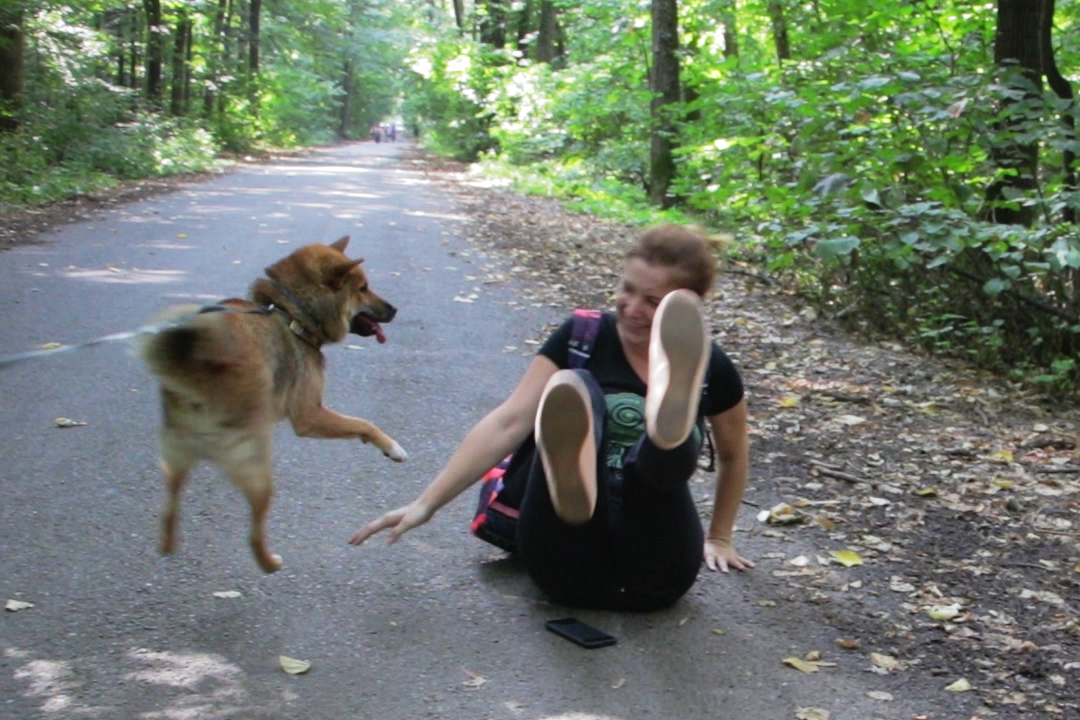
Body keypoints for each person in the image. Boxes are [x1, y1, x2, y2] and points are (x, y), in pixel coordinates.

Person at [350, 224, 753, 611]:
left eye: (653, 301)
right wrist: (426, 503)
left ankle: (668, 430)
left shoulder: (710, 365)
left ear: (687, 306)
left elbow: (735, 455)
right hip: (566, 562)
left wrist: (720, 538)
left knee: (656, 467)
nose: (632, 309)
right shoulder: (584, 336)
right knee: (576, 389)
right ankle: (576, 487)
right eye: (627, 290)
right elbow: (510, 421)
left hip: (650, 572)